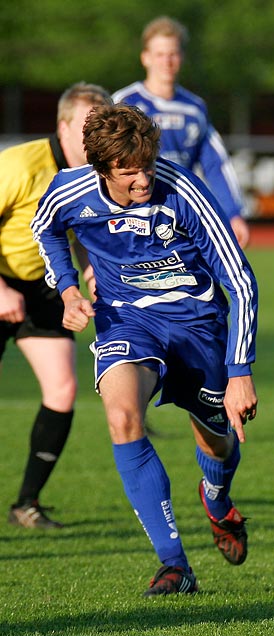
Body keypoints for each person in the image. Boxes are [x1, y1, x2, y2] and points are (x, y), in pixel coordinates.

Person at [31, 103, 258, 596]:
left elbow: (239, 280)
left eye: (147, 167)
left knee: (217, 442)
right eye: (128, 173)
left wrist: (240, 370)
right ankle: (174, 566)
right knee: (122, 417)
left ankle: (217, 502)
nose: (142, 181)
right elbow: (44, 228)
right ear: (100, 170)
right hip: (126, 320)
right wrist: (68, 287)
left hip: (199, 326)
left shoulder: (185, 193)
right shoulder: (68, 192)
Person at [1, 82, 112, 529]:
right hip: (2, 280)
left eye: (99, 128)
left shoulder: (93, 174)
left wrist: (91, 276)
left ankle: (26, 503)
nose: (92, 139)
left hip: (44, 287)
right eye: (86, 128)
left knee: (62, 390)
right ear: (62, 126)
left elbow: (82, 234)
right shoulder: (20, 164)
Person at [113, 15, 250, 248]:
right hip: (133, 215)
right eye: (159, 55)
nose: (167, 62)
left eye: (173, 54)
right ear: (145, 58)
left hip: (181, 214)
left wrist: (233, 213)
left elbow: (214, 163)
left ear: (181, 57)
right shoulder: (124, 103)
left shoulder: (194, 108)